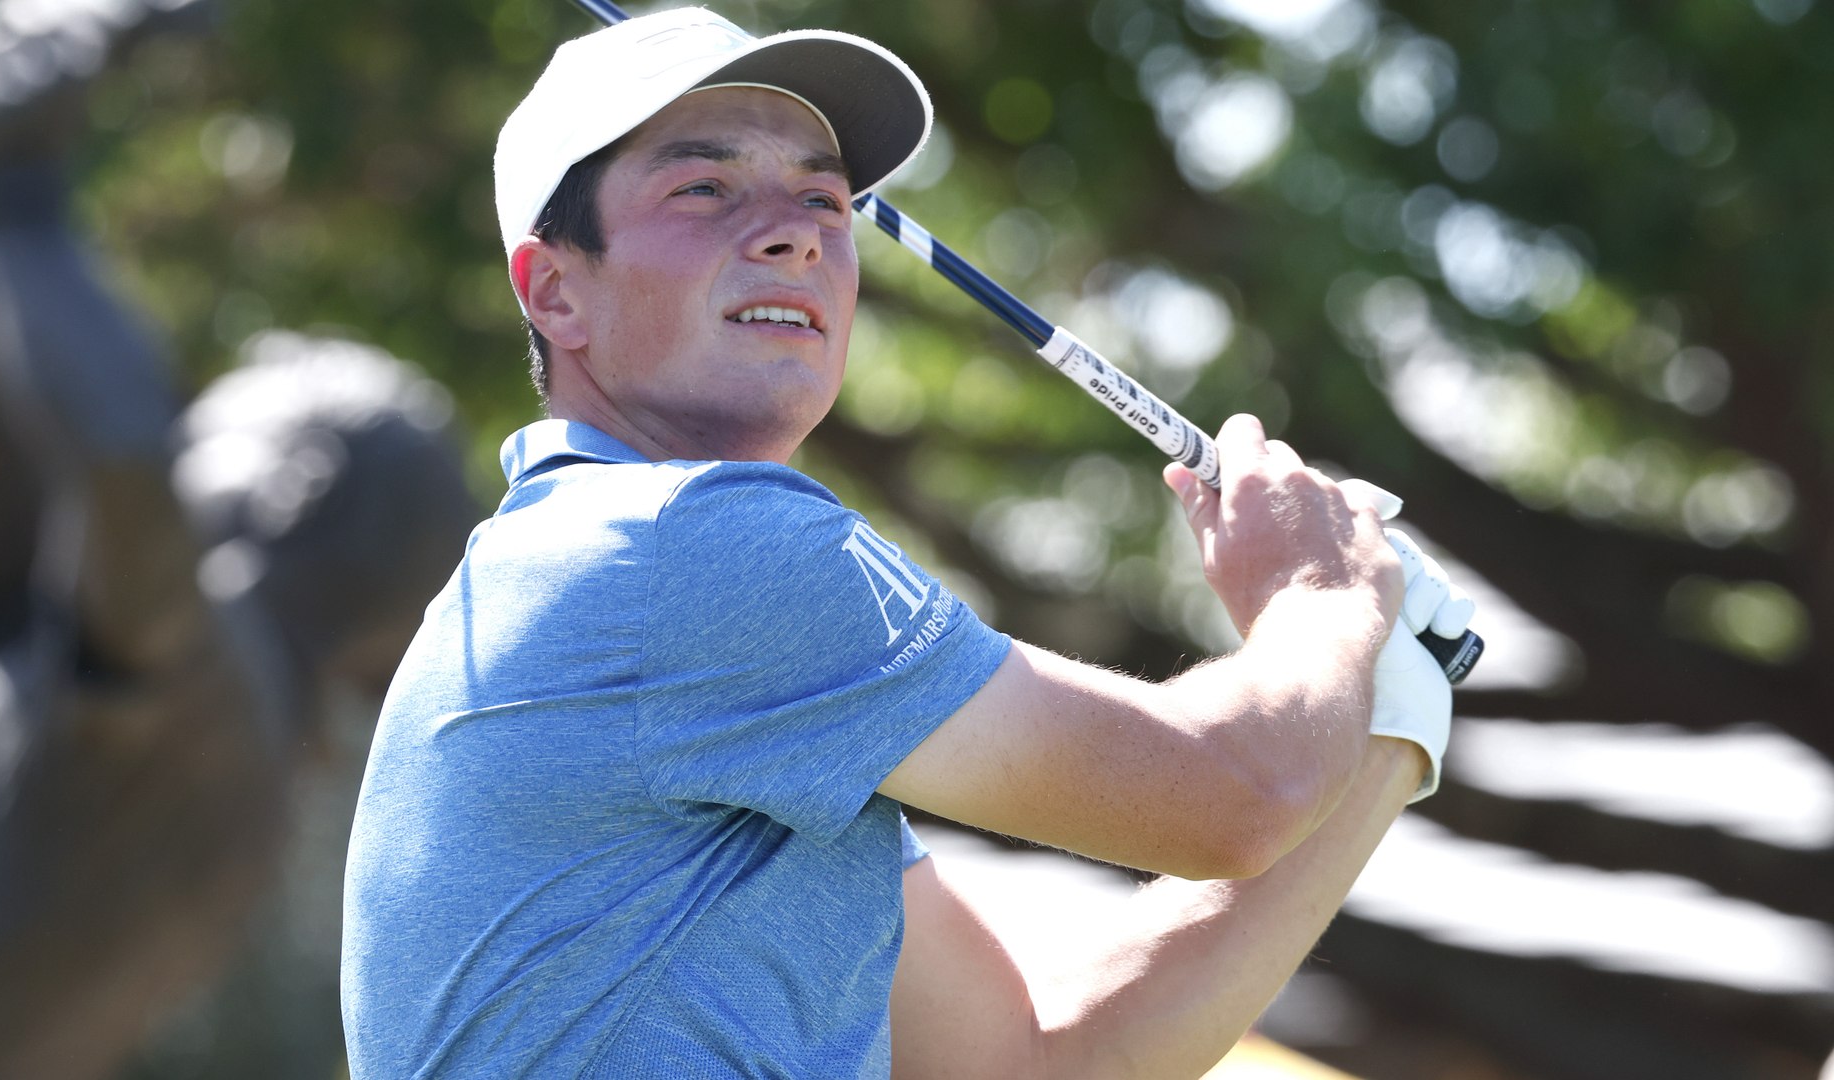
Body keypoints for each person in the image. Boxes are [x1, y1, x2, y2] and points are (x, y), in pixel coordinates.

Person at [339, 7, 1474, 1078]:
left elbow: (1048, 1063)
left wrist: (1385, 722)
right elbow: (1236, 793)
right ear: (555, 292)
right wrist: (1325, 592)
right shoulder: (690, 544)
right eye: (705, 187)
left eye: (824, 203)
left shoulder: (724, 672)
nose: (790, 236)